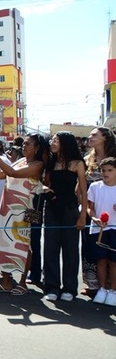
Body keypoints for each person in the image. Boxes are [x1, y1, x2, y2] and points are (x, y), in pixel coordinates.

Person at [0, 134, 48, 295]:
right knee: (3, 242)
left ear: (37, 148)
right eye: (24, 144)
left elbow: (11, 172)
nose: (24, 146)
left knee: (24, 243)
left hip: (27, 209)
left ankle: (22, 282)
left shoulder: (38, 164)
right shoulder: (20, 161)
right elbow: (0, 175)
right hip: (8, 208)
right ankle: (6, 281)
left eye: (28, 144)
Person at [42, 132, 87, 302]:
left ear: (65, 143)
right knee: (50, 248)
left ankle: (70, 288)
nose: (52, 143)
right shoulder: (51, 162)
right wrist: (45, 189)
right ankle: (51, 286)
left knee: (71, 249)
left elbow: (83, 191)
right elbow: (45, 183)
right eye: (52, 140)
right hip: (51, 208)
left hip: (70, 209)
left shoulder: (78, 163)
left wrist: (82, 215)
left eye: (56, 140)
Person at [81, 127, 116, 297]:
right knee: (92, 248)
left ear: (105, 138)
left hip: (112, 212)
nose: (90, 137)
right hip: (92, 208)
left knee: (112, 253)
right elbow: (80, 185)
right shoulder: (87, 160)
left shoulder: (114, 158)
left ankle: (111, 287)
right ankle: (94, 284)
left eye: (94, 135)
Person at [87, 157, 116, 305]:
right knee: (101, 260)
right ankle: (102, 289)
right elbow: (89, 208)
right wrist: (95, 218)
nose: (106, 173)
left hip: (114, 228)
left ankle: (113, 291)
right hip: (98, 229)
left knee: (114, 262)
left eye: (110, 170)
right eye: (103, 170)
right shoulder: (94, 187)